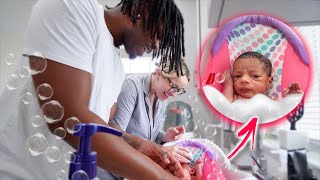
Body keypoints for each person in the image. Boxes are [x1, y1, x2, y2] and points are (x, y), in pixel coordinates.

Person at [0, 0, 188, 179]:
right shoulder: (75, 8)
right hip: (16, 172)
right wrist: (160, 176)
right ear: (144, 8)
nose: (155, 46)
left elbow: (104, 125)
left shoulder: (117, 68)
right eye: (158, 36)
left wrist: (138, 145)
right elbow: (71, 119)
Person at [109, 59, 191, 164]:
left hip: (141, 161)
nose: (174, 94)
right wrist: (158, 149)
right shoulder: (132, 86)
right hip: (119, 164)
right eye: (173, 87)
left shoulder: (162, 96)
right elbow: (116, 134)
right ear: (158, 73)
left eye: (178, 90)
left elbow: (149, 135)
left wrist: (164, 136)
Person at [223, 51, 301, 102]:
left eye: (255, 76)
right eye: (238, 76)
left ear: (269, 82)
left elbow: (283, 112)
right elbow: (224, 106)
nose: (243, 79)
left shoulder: (270, 101)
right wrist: (228, 84)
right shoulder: (234, 99)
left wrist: (291, 99)